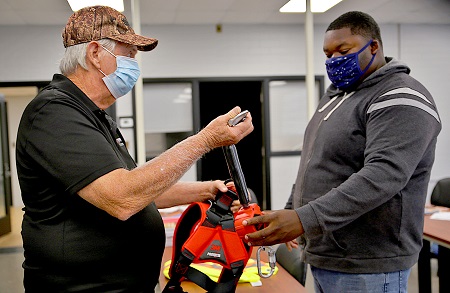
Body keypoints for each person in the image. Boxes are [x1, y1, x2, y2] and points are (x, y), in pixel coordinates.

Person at [16, 5, 253, 292]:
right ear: (95, 54)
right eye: (129, 54)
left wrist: (207, 190)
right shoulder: (55, 112)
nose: (134, 65)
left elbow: (138, 189)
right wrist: (205, 140)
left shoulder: (95, 115)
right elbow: (122, 198)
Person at [243, 11, 441, 292]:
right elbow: (315, 162)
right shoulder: (336, 96)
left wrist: (303, 219)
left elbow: (383, 175)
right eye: (328, 54)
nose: (334, 60)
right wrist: (291, 212)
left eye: (343, 51)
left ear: (374, 46)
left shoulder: (399, 96)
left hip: (367, 263)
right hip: (326, 253)